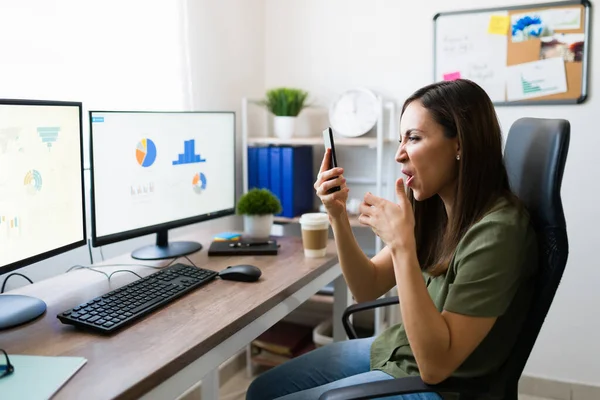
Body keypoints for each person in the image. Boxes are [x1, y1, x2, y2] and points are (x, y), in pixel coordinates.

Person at [246, 79, 538, 400]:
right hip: (400, 351)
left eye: (413, 138)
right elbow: (366, 287)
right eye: (401, 139)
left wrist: (402, 247)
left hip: (440, 386)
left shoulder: (498, 231)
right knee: (263, 389)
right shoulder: (433, 207)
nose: (399, 155)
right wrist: (338, 215)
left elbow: (435, 367)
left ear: (460, 144)